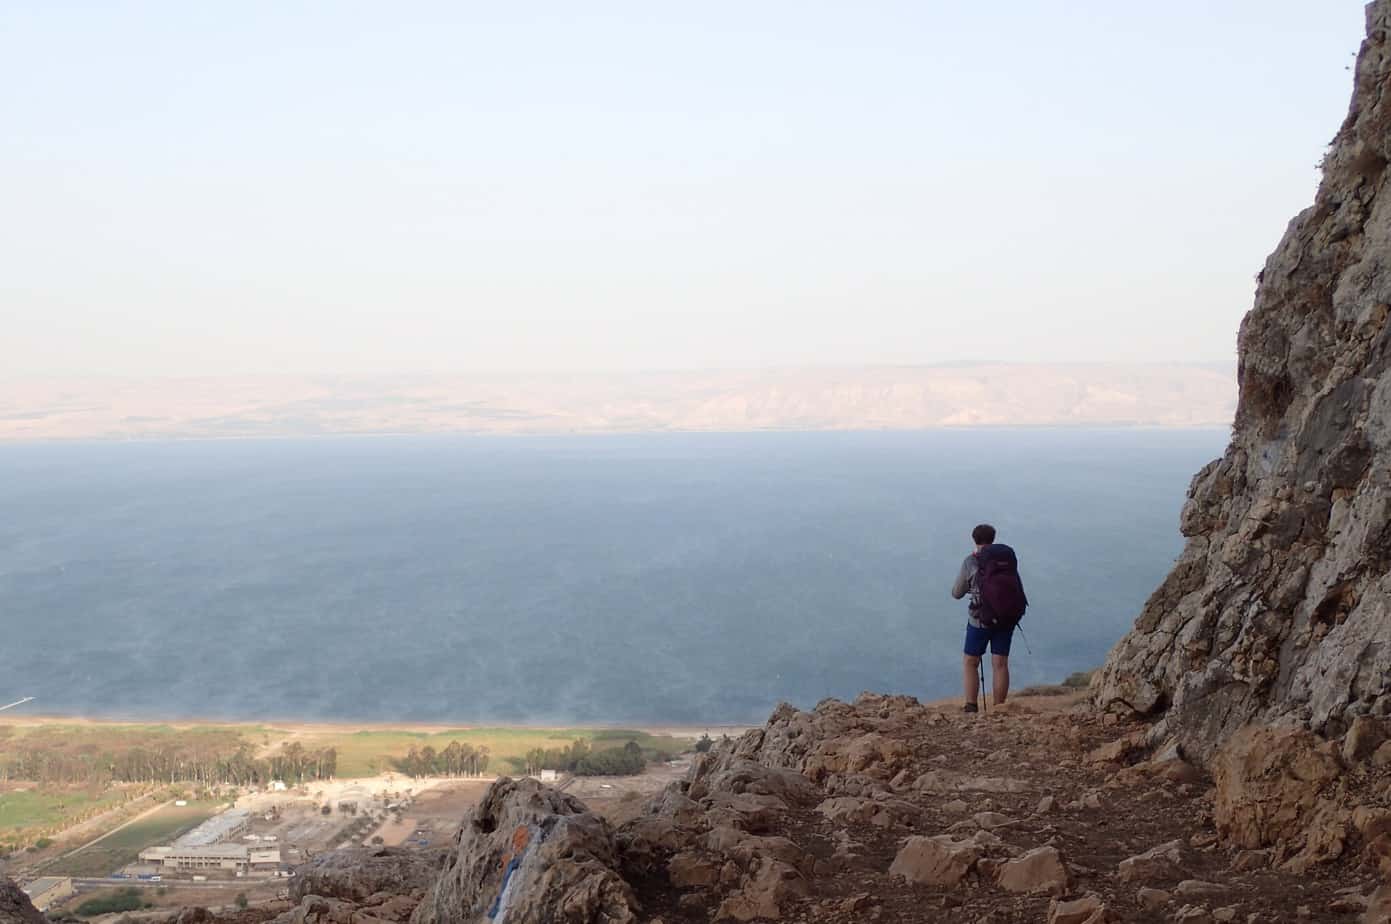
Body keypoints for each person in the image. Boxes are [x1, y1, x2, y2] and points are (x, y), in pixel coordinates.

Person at [950, 523, 1018, 712]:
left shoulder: (970, 561)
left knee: (971, 661)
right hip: (1006, 617)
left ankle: (971, 706)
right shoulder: (1006, 559)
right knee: (1000, 663)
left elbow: (956, 593)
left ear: (974, 539)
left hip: (979, 620)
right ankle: (999, 708)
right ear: (993, 538)